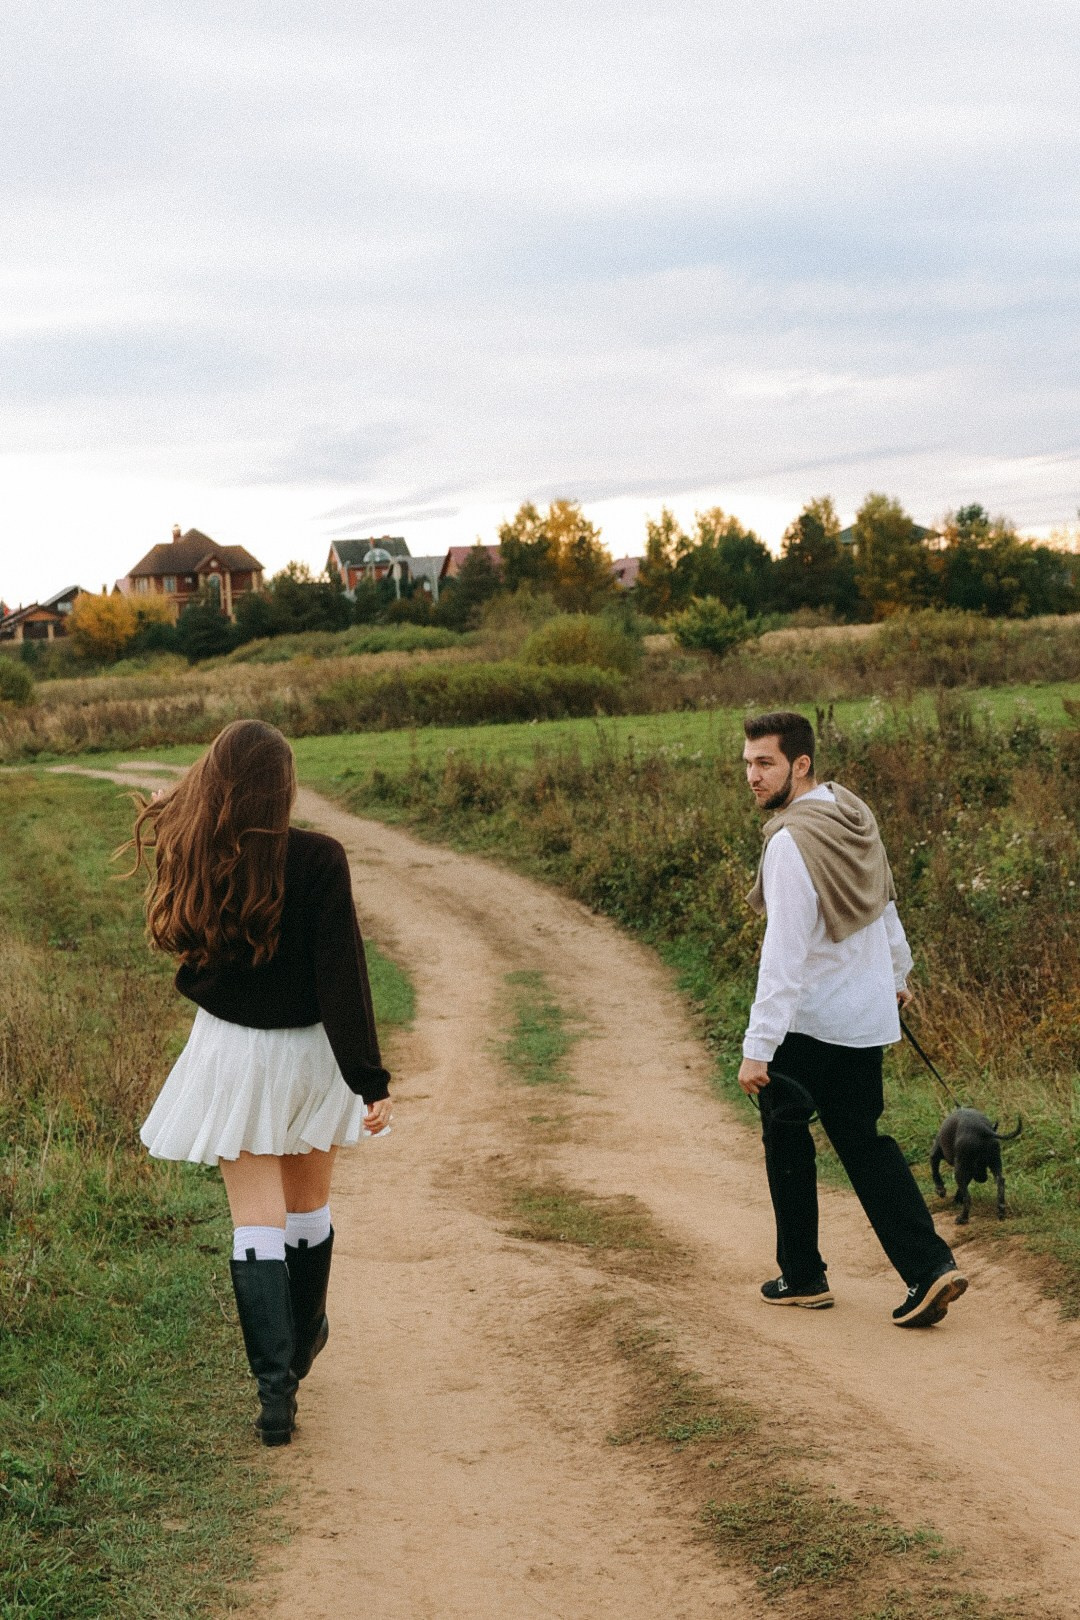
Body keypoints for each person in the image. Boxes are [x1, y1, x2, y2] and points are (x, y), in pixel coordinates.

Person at [127, 719, 392, 1444]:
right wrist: (370, 1079)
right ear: (286, 787)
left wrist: (180, 810)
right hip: (310, 1053)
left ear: (217, 781)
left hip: (232, 1054)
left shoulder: (195, 851)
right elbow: (343, 977)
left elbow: (192, 828)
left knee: (257, 1222)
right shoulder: (319, 858)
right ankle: (301, 1347)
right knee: (308, 1211)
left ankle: (275, 1396)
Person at [738, 710, 966, 1329]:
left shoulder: (790, 842)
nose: (753, 777)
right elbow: (882, 905)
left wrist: (758, 1046)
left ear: (800, 764)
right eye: (747, 764)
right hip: (862, 1020)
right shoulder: (852, 815)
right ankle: (929, 1267)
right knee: (865, 1144)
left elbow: (783, 954)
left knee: (787, 1142)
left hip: (807, 1023)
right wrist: (897, 977)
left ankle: (803, 1276)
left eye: (766, 763)